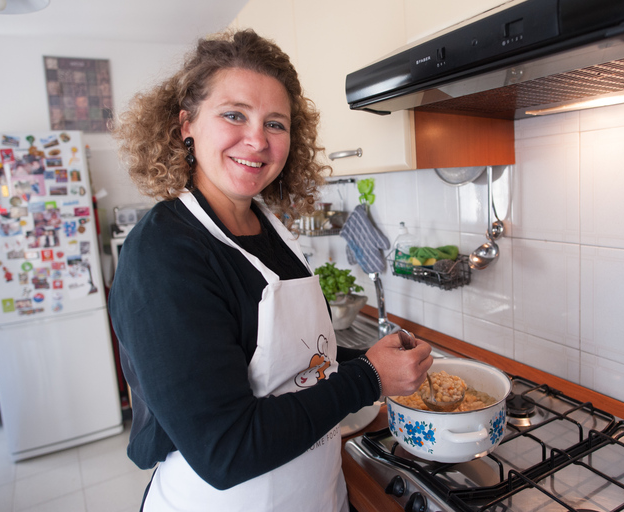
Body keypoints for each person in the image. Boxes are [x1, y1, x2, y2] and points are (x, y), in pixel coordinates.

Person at [108, 29, 432, 512]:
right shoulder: (163, 251)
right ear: (186, 125)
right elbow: (225, 449)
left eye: (275, 124)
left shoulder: (270, 227)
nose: (257, 139)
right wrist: (368, 377)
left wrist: (369, 356)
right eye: (234, 115)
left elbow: (288, 362)